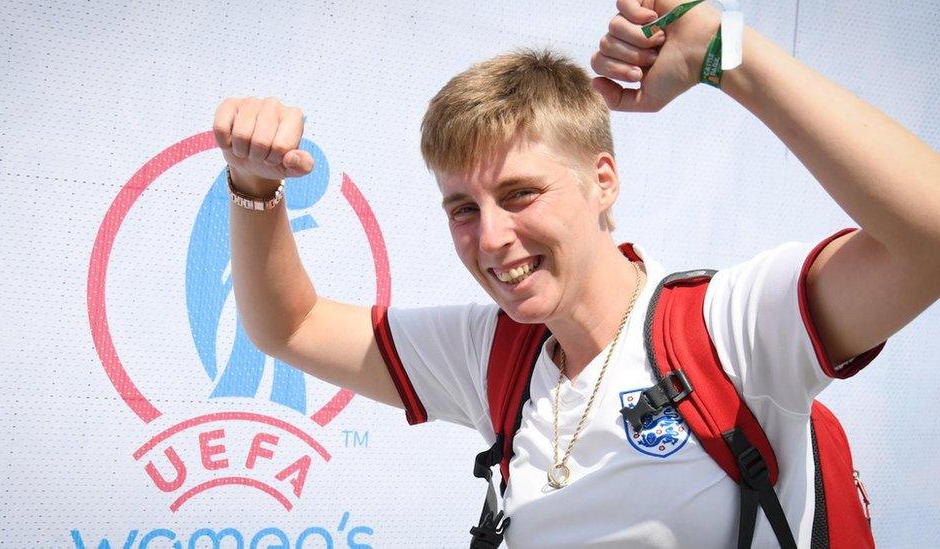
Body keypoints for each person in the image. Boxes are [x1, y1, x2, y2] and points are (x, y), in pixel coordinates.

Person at [213, 0, 940, 546]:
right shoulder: (494, 352)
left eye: (521, 194)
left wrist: (728, 54)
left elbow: (928, 238)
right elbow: (291, 324)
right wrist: (253, 187)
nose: (492, 238)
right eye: (462, 207)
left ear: (604, 183)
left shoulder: (729, 326)